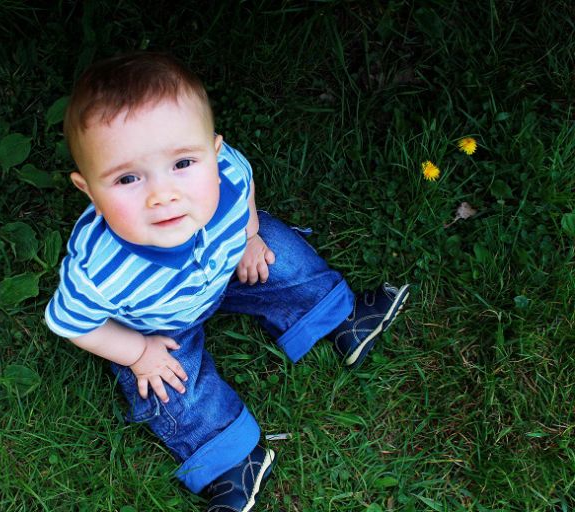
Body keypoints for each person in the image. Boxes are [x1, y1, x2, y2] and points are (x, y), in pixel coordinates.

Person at [45, 52, 410, 512]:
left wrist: (250, 235)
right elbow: (72, 324)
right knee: (168, 385)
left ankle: (342, 318)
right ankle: (230, 462)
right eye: (128, 178)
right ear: (89, 191)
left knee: (278, 254)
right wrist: (138, 353)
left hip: (227, 268)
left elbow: (245, 181)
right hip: (159, 327)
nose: (163, 194)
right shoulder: (99, 268)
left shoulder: (226, 174)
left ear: (214, 154)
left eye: (183, 163)